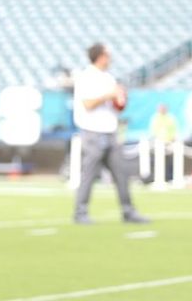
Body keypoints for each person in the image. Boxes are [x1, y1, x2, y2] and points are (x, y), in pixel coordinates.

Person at [72, 43, 149, 224]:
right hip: (93, 131)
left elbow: (117, 106)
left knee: (121, 173)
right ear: (100, 56)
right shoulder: (87, 77)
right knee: (90, 173)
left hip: (110, 130)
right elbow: (88, 104)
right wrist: (109, 95)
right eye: (108, 55)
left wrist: (119, 99)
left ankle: (128, 211)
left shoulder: (108, 78)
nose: (111, 58)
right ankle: (80, 212)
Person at [148, 103, 178, 183]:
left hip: (168, 143)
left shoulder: (170, 118)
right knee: (156, 161)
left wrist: (172, 139)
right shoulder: (156, 118)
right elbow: (154, 131)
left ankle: (169, 177)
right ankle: (156, 178)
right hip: (158, 143)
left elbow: (173, 130)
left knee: (170, 161)